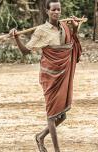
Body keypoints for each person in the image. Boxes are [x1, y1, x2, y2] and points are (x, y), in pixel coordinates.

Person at [9, 0, 82, 151]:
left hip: (63, 75)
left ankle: (40, 136)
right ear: (47, 11)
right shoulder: (41, 31)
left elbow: (71, 44)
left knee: (62, 116)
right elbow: (25, 51)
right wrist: (16, 37)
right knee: (52, 115)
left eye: (58, 10)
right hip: (50, 76)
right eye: (53, 10)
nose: (56, 12)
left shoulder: (65, 26)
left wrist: (75, 30)